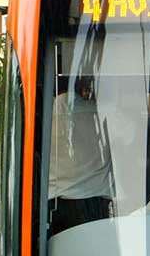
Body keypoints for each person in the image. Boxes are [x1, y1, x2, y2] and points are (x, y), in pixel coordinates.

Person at [48, 76, 114, 235]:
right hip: (94, 203)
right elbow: (131, 134)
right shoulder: (100, 112)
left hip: (55, 204)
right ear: (78, 85)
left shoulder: (44, 117)